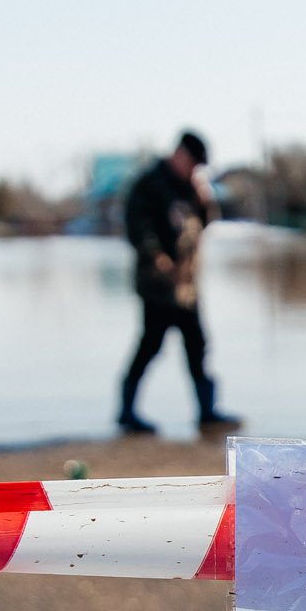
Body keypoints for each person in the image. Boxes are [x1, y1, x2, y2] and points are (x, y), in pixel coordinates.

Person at [117, 130, 240, 434]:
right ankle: (127, 413)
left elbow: (206, 222)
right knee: (150, 346)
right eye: (193, 163)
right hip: (158, 286)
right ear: (180, 154)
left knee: (197, 345)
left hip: (187, 285)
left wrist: (205, 199)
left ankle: (207, 413)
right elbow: (137, 227)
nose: (195, 170)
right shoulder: (149, 184)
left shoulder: (191, 188)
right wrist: (155, 255)